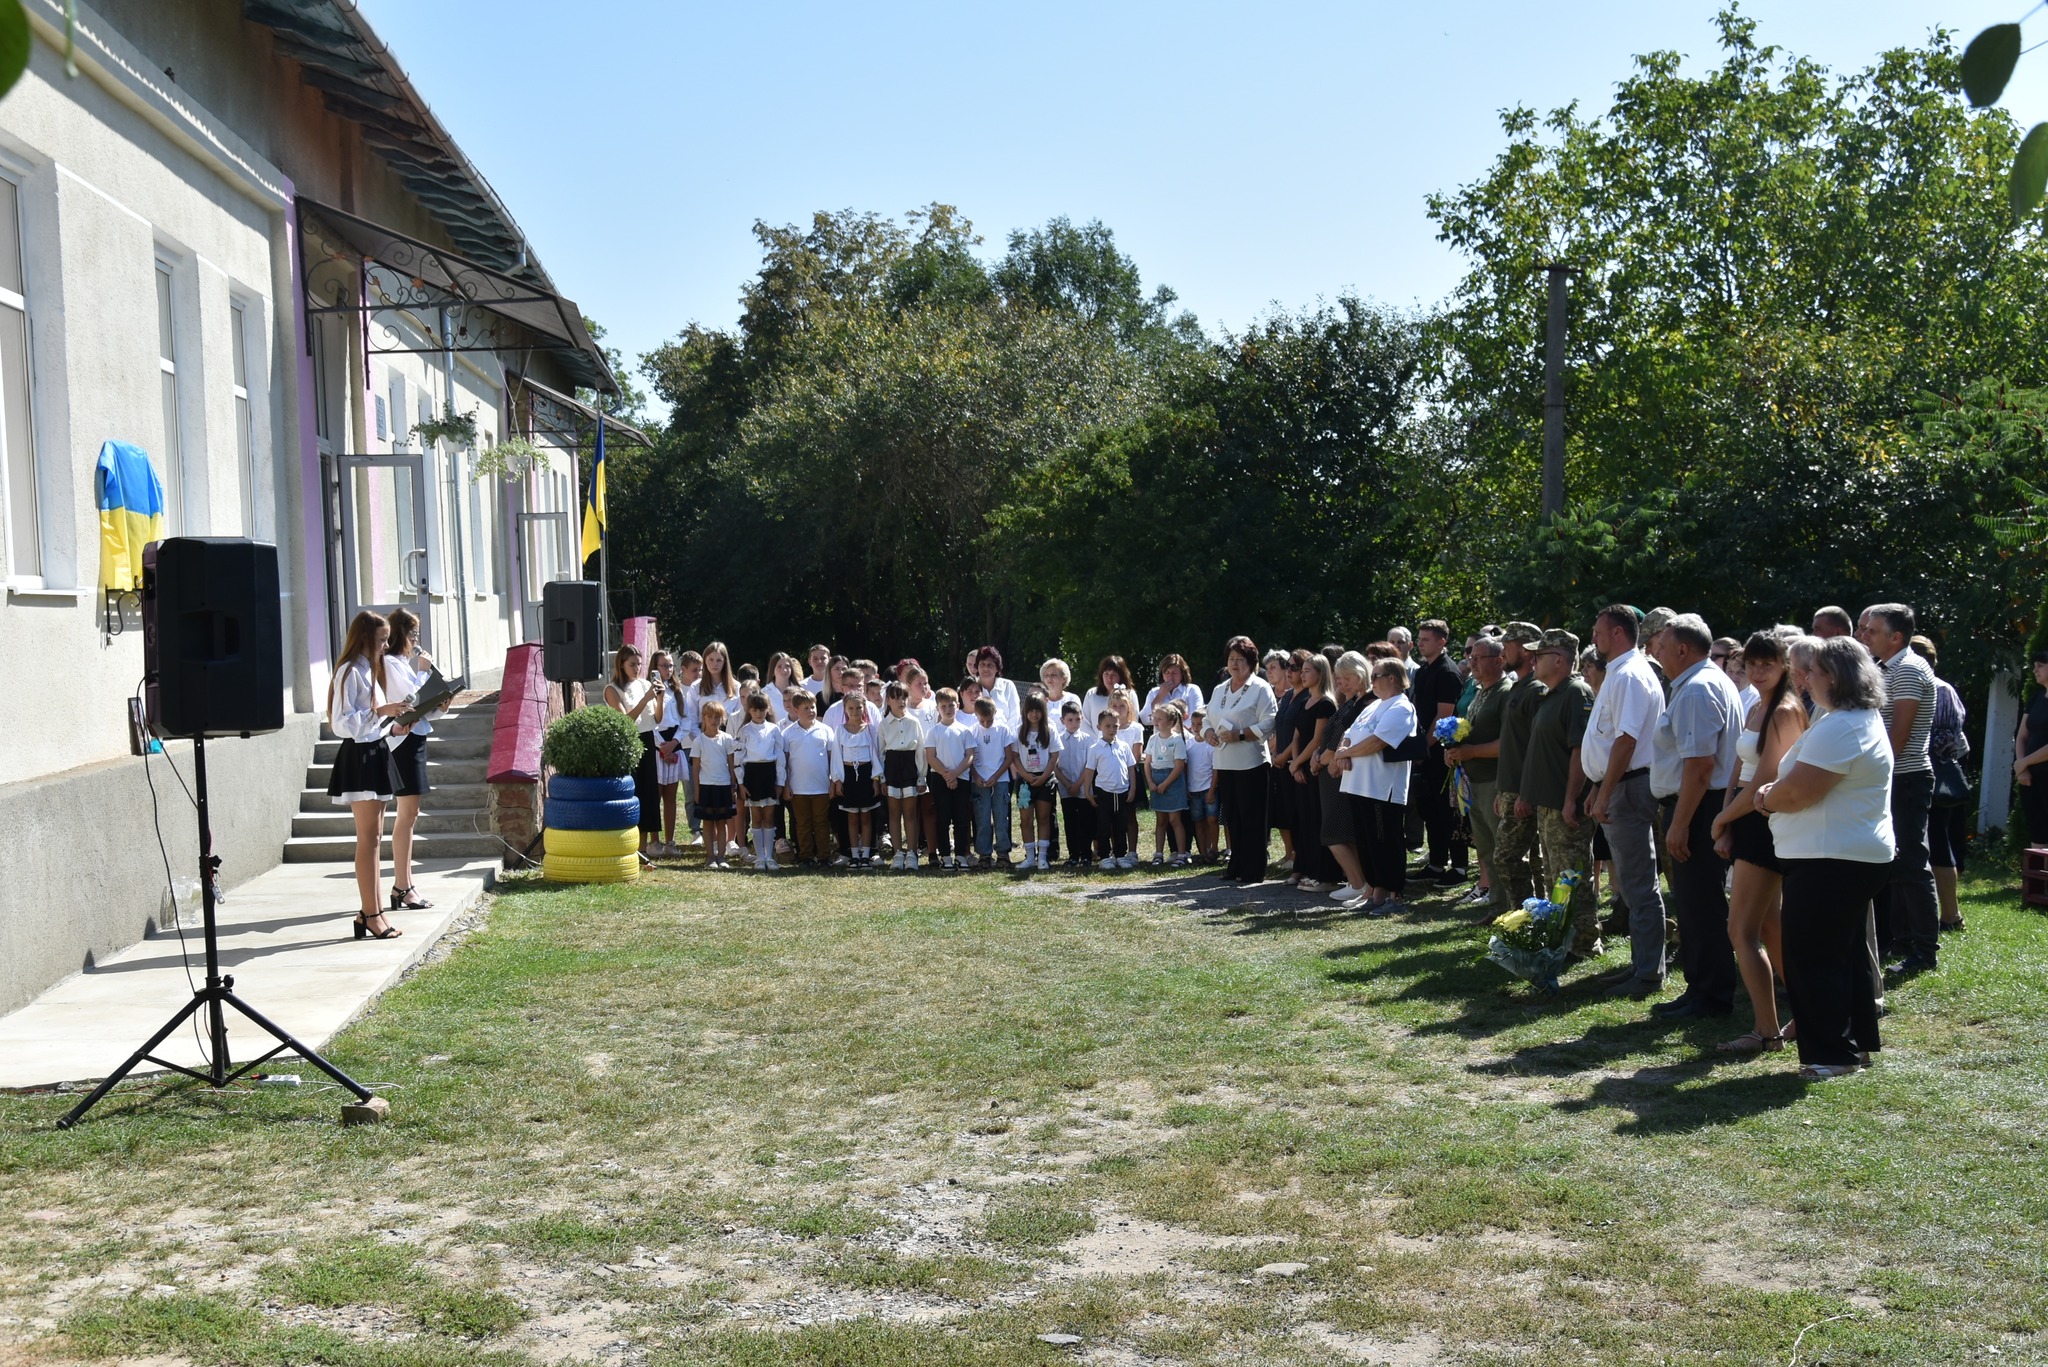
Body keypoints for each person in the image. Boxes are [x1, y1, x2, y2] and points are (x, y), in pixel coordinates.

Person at [1754, 635, 1896, 1081]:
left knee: (1812, 957)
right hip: (1843, 856)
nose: (1804, 679)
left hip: (1832, 859)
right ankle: (1855, 1046)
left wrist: (1765, 798)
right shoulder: (1853, 719)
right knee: (1843, 954)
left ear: (1834, 677)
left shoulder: (1843, 726)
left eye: (1811, 671)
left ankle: (1830, 1055)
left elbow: (1798, 792)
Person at [1707, 631, 1807, 1055]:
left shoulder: (1784, 710)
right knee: (1768, 926)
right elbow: (1739, 769)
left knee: (1740, 930)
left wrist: (1721, 819)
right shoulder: (1756, 704)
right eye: (1751, 663)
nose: (1758, 671)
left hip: (1766, 822)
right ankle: (1803, 1016)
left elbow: (1766, 780)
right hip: (1747, 819)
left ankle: (1767, 1030)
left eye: (1767, 663)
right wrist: (1727, 818)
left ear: (1784, 664)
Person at [1646, 613, 1745, 1019]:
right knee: (1695, 901)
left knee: (1701, 903)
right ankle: (1701, 988)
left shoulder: (1697, 690)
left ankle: (1711, 995)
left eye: (1662, 647)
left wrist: (1681, 823)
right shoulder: (1701, 683)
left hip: (1699, 805)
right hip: (1702, 802)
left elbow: (1700, 766)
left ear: (1683, 649)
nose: (1657, 653)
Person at [1585, 605, 1669, 999]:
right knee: (1634, 885)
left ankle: (1650, 971)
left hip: (1630, 786)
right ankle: (1641, 965)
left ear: (1618, 633)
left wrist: (1604, 790)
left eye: (1599, 632)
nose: (1594, 638)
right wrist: (1596, 787)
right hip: (1618, 784)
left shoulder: (1632, 674)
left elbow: (1627, 740)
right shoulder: (1621, 671)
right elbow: (1608, 741)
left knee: (1638, 881)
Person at [1857, 603, 1939, 980]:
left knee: (1912, 865)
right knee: (1895, 863)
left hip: (1905, 779)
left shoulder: (1907, 670)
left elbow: (1898, 738)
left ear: (1896, 637)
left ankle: (1924, 949)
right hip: (1895, 777)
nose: (1864, 636)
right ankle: (1901, 939)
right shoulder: (1887, 667)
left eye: (1872, 630)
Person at [1517, 631, 1599, 957]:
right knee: (1557, 877)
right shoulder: (1553, 694)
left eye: (1540, 655)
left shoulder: (1576, 692)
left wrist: (1570, 799)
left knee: (1571, 875)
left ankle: (1583, 943)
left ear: (1560, 660)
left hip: (1567, 807)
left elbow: (1580, 751)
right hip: (1548, 805)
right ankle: (1564, 938)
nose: (1533, 661)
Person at [327, 610, 407, 939]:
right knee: (368, 840)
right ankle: (370, 912)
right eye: (381, 640)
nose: (386, 645)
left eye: (387, 639)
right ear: (364, 639)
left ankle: (373, 912)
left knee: (374, 839)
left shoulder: (368, 669)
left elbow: (373, 724)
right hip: (358, 757)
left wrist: (396, 723)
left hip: (375, 751)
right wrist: (381, 711)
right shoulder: (349, 671)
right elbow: (341, 724)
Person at [1330, 657, 1418, 912]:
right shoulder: (1373, 706)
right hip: (1359, 785)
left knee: (1385, 841)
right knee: (1368, 841)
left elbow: (1378, 741)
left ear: (1392, 677)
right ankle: (1375, 894)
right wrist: (1342, 750)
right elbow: (1347, 735)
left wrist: (1346, 754)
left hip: (1382, 788)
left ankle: (1393, 894)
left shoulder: (1401, 707)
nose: (1372, 681)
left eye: (1376, 676)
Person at [380, 608, 444, 908]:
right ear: (399, 634)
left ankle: (403, 886)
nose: (416, 639)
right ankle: (403, 887)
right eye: (412, 633)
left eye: (417, 633)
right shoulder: (391, 663)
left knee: (411, 815)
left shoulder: (403, 664)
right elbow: (409, 703)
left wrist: (443, 699)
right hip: (402, 742)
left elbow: (425, 708)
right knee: (407, 815)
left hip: (416, 737)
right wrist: (422, 671)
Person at [1205, 636, 1279, 883]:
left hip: (1251, 763)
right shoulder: (1220, 689)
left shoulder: (1260, 687)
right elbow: (1207, 718)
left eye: (1240, 660)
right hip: (1224, 762)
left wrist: (1240, 734)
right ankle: (1235, 865)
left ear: (1251, 663)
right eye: (1231, 659)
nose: (1234, 664)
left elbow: (1269, 721)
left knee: (1252, 818)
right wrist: (1207, 733)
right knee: (1233, 817)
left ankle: (1253, 869)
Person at [1445, 636, 1508, 911]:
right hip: (1473, 780)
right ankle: (1495, 905)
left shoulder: (1506, 692)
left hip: (1495, 780)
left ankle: (1510, 907)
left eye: (1479, 657)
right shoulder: (1479, 691)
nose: (1472, 662)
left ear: (1499, 660)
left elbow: (1510, 743)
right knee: (1484, 848)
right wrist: (1455, 750)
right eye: (1471, 657)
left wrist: (1473, 752)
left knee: (1502, 848)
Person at [1913, 636, 1970, 934]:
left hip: (1932, 778)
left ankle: (1951, 914)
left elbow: (1949, 739)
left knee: (1938, 843)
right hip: (1916, 774)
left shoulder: (1941, 690)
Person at [1491, 623, 1548, 915]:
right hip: (1511, 788)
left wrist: (1526, 793)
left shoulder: (1536, 691)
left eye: (1508, 644)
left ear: (1525, 649)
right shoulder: (1519, 686)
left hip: (1525, 790)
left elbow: (1536, 749)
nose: (1502, 651)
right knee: (1528, 858)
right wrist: (1503, 789)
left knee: (1507, 857)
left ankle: (1523, 918)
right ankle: (1533, 919)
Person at [1311, 651, 1373, 899]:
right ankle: (1358, 882)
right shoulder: (1349, 702)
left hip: (1340, 774)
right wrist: (1318, 755)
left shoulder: (1364, 703)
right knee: (1343, 833)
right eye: (1338, 678)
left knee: (1335, 834)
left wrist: (1324, 757)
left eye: (1346, 678)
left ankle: (1359, 884)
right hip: (1330, 775)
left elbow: (1344, 739)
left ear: (1359, 675)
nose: (1340, 683)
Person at [1408, 620, 1465, 883]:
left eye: (1425, 640)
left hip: (1441, 753)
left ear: (1442, 642)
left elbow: (1443, 718)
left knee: (1447, 811)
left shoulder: (1447, 672)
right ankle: (1437, 863)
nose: (1420, 643)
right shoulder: (1422, 671)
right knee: (1429, 810)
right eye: (1419, 639)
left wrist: (1423, 748)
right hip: (1424, 753)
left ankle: (1460, 867)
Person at [1285, 653, 1341, 890]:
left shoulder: (1325, 703)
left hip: (1316, 768)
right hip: (1301, 767)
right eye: (1303, 670)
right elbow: (1298, 734)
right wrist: (1295, 761)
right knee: (1304, 820)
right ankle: (1306, 867)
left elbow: (1319, 738)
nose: (1303, 674)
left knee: (1318, 820)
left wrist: (1298, 763)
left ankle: (1324, 872)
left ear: (1321, 673)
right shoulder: (1305, 700)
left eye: (1308, 670)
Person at [605, 644, 665, 861]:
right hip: (629, 742)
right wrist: (646, 699)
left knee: (650, 792)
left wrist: (659, 699)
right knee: (634, 791)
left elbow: (657, 719)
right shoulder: (612, 689)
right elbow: (625, 721)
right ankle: (631, 844)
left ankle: (647, 844)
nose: (637, 668)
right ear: (621, 664)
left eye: (639, 664)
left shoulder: (646, 684)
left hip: (648, 738)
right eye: (632, 664)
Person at [876, 681, 928, 871]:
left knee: (910, 813)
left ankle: (912, 853)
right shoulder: (883, 724)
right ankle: (898, 853)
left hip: (909, 770)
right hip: (891, 769)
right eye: (896, 697)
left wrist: (921, 777)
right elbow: (880, 752)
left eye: (903, 697)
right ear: (888, 700)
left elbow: (920, 750)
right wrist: (882, 777)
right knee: (894, 812)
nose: (901, 701)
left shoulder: (914, 722)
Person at [782, 689, 837, 867]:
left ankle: (823, 856)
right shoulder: (788, 733)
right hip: (798, 788)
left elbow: (832, 760)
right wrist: (786, 785)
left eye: (812, 707)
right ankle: (805, 856)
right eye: (805, 708)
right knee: (802, 824)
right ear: (796, 710)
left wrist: (832, 782)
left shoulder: (826, 731)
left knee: (821, 823)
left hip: (821, 786)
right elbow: (785, 762)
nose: (811, 711)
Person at [924, 688, 975, 870]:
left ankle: (961, 855)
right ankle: (945, 855)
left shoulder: (965, 731)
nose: (947, 709)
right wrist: (947, 775)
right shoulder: (933, 731)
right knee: (942, 818)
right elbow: (931, 757)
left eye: (951, 705)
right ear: (937, 708)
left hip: (961, 779)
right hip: (939, 779)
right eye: (943, 706)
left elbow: (969, 756)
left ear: (958, 706)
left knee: (961, 818)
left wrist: (955, 774)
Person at [736, 692, 787, 871]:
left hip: (769, 774)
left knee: (769, 816)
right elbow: (739, 759)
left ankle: (769, 856)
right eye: (755, 710)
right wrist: (741, 784)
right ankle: (759, 857)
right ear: (749, 710)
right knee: (756, 816)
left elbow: (780, 757)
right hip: (752, 775)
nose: (759, 713)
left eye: (762, 710)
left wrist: (780, 782)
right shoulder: (744, 731)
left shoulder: (774, 730)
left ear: (768, 709)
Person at [1083, 706, 1139, 869]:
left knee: (1121, 825)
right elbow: (1089, 770)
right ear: (1099, 727)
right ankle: (1105, 856)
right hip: (1104, 792)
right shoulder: (1095, 748)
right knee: (1104, 825)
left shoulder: (1123, 747)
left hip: (1121, 791)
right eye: (1108, 726)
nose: (1112, 729)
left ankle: (1121, 855)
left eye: (1115, 725)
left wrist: (1133, 788)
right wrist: (1087, 791)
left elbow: (1131, 768)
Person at [1014, 692, 1064, 872]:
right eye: (1030, 710)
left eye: (1038, 710)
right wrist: (1026, 776)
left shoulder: (1049, 729)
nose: (1034, 714)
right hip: (1025, 780)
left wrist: (1044, 777)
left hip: (1045, 778)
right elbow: (1014, 756)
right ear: (1025, 711)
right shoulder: (1019, 730)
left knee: (1044, 818)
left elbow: (1054, 756)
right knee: (1026, 820)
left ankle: (1042, 857)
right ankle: (1029, 857)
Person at [690, 700, 740, 869]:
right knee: (708, 823)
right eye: (710, 716)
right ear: (703, 718)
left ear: (722, 718)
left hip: (724, 786)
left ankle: (721, 857)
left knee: (722, 822)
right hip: (706, 787)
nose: (714, 720)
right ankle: (710, 856)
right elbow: (695, 769)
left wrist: (733, 786)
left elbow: (732, 765)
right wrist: (696, 790)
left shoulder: (727, 739)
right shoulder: (698, 741)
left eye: (717, 717)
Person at [968, 695, 1016, 868]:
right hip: (979, 780)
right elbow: (969, 758)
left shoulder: (1003, 730)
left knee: (1001, 816)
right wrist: (976, 776)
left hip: (1000, 779)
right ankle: (984, 854)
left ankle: (1003, 853)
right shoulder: (972, 731)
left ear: (995, 713)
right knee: (982, 817)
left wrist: (996, 776)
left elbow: (1009, 757)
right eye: (983, 721)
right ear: (976, 715)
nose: (986, 724)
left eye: (989, 720)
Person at [834, 689, 881, 867]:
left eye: (858, 708)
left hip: (866, 775)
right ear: (845, 709)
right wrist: (838, 779)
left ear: (864, 708)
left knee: (866, 816)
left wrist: (876, 779)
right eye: (851, 708)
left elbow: (875, 755)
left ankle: (866, 854)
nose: (855, 712)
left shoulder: (870, 730)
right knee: (852, 818)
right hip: (848, 777)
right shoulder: (840, 730)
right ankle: (854, 854)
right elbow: (837, 756)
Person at [1266, 651, 1303, 871]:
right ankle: (1289, 851)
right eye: (1267, 668)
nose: (1269, 672)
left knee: (1292, 808)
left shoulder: (1295, 695)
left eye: (1273, 667)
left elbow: (1294, 731)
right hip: (1273, 759)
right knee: (1280, 808)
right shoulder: (1272, 694)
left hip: (1288, 757)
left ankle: (1297, 853)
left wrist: (1279, 753)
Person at [649, 651, 688, 857]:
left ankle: (670, 841)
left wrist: (674, 743)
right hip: (657, 746)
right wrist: (662, 747)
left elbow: (686, 720)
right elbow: (650, 721)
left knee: (671, 797)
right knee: (655, 796)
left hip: (673, 744)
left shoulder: (677, 691)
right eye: (664, 666)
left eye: (671, 665)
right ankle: (654, 841)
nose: (668, 669)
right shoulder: (649, 690)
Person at [1145, 702, 1191, 867]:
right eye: (1154, 718)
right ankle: (1158, 854)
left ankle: (1181, 854)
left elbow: (1179, 766)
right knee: (1160, 820)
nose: (1156, 722)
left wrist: (1165, 783)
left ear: (1171, 722)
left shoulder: (1177, 740)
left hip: (1172, 780)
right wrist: (1150, 781)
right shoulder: (1152, 739)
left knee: (1175, 819)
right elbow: (1147, 763)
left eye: (1160, 719)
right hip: (1156, 780)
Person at [1054, 700, 1097, 867]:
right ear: (1062, 720)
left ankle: (1086, 854)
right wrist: (1066, 783)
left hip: (1083, 788)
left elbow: (1089, 765)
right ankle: (1073, 854)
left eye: (1077, 719)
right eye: (1070, 720)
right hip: (1065, 788)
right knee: (1070, 820)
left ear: (1082, 719)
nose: (1074, 723)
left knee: (1085, 820)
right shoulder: (1057, 740)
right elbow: (1054, 765)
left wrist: (1078, 784)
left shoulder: (1088, 740)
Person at [2014, 648, 2048, 845]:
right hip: (2030, 777)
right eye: (2034, 666)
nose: (2035, 670)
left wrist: (2024, 762)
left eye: (2041, 666)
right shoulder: (2036, 698)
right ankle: (2036, 876)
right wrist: (2023, 768)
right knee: (2037, 829)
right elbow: (2022, 736)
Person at [1185, 706, 1220, 863]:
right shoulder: (1188, 744)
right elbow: (1185, 768)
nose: (1196, 728)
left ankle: (1214, 848)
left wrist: (1212, 791)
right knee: (1198, 821)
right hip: (1193, 790)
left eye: (1200, 724)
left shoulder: (1211, 745)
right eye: (1193, 724)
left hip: (1208, 789)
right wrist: (1186, 788)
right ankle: (1203, 851)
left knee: (1212, 820)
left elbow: (1215, 770)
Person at [1142, 654, 1204, 728]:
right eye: (1167, 672)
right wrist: (1159, 697)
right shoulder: (1154, 692)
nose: (1170, 677)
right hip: (1161, 738)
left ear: (1182, 674)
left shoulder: (1192, 690)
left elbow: (1196, 718)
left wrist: (1171, 730)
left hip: (1186, 737)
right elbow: (1145, 720)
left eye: (1174, 673)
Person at [972, 646, 1021, 730]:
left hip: (1004, 739)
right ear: (977, 667)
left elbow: (1014, 716)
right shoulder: (971, 687)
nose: (985, 669)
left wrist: (1005, 738)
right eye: (982, 664)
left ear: (997, 668)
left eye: (990, 665)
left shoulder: (1008, 686)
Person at [1082, 655, 1134, 732]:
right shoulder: (1092, 694)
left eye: (1114, 675)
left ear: (1121, 677)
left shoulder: (1130, 694)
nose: (1109, 678)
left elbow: (1133, 720)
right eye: (1106, 674)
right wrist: (1099, 742)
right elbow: (1085, 722)